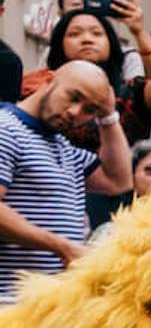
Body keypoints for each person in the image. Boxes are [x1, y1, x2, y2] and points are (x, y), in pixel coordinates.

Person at [0, 64, 130, 302]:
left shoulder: (63, 146)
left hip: (49, 304)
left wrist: (108, 116)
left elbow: (118, 180)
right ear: (48, 80)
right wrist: (62, 247)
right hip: (9, 302)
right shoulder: (5, 128)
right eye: (74, 97)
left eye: (89, 110)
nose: (75, 112)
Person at [30, 0, 151, 147]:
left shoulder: (130, 95)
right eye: (75, 34)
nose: (87, 39)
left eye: (97, 33)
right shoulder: (39, 86)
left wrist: (139, 32)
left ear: (111, 43)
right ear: (60, 44)